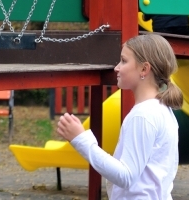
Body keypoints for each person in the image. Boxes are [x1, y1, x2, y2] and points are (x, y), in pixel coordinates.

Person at [57, 33, 182, 200]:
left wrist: (81, 140)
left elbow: (126, 176)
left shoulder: (143, 115)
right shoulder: (162, 110)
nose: (117, 67)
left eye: (124, 61)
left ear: (144, 69)